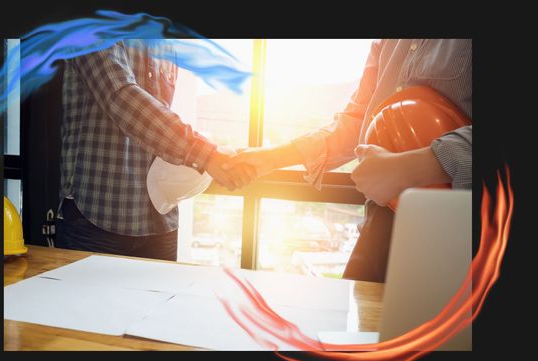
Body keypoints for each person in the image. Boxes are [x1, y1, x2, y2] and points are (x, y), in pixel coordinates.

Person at [223, 39, 472, 282]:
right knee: (363, 318)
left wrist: (410, 168)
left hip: (463, 222)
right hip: (385, 213)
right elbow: (357, 120)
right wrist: (273, 157)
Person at [55, 40, 253, 261]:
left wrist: (219, 154)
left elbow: (160, 117)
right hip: (96, 216)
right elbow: (121, 97)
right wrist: (207, 154)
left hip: (160, 216)